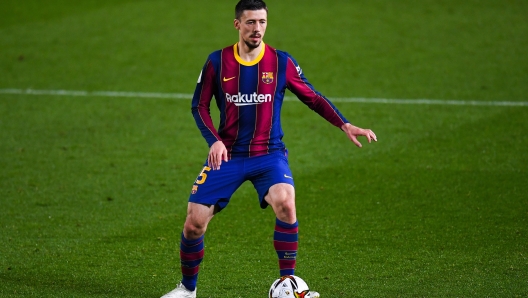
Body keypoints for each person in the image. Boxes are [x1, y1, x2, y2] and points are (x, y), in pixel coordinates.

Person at [161, 0, 377, 297]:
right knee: (194, 224)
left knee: (286, 203)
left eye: (262, 22)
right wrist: (215, 141)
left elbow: (312, 97)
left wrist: (345, 124)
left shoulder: (280, 62)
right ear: (237, 24)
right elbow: (199, 105)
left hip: (269, 154)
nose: (257, 28)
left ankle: (287, 283)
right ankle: (187, 289)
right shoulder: (217, 61)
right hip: (229, 156)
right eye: (250, 22)